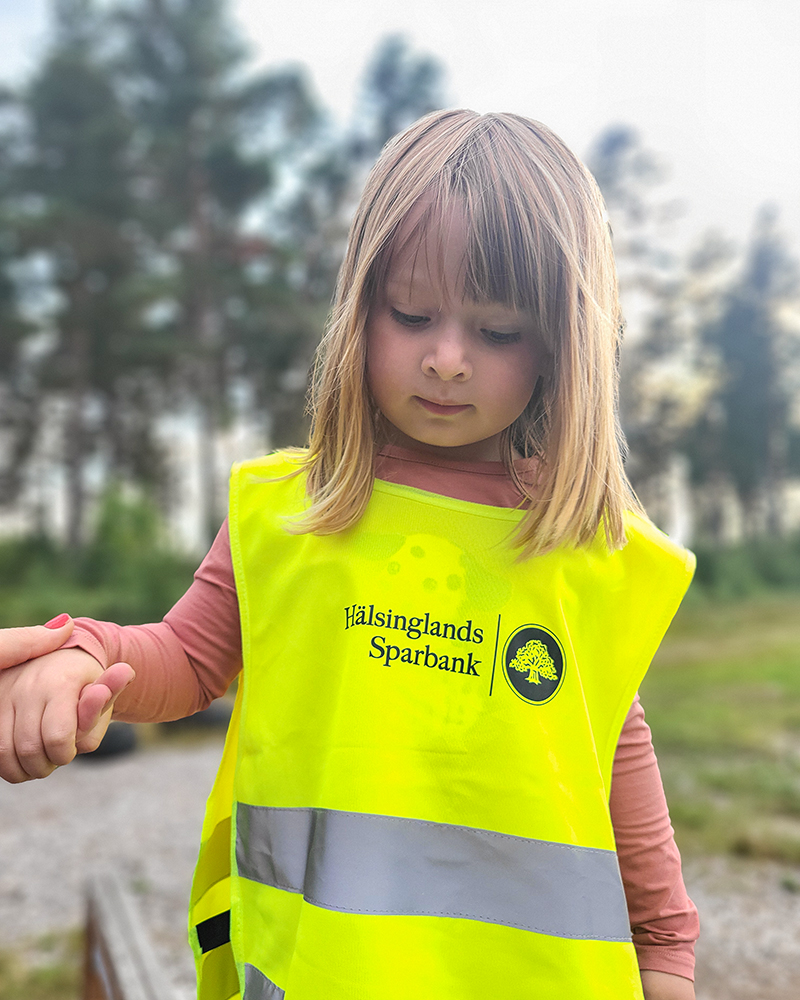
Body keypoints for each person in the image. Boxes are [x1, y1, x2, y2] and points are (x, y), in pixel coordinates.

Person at [0, 110, 698, 1000]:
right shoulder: (295, 517)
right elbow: (184, 658)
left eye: (497, 332)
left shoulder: (579, 554)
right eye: (413, 314)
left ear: (561, 343)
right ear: (361, 305)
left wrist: (666, 950)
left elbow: (615, 755)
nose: (447, 360)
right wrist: (85, 657)